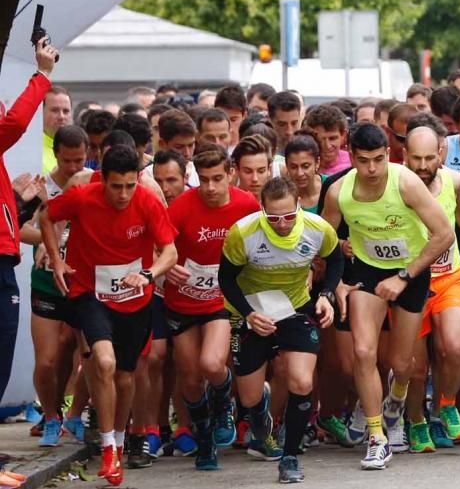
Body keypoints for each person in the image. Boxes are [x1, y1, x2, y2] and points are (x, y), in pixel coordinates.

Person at [41, 145, 178, 487]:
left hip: (135, 298)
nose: (123, 194)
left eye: (129, 185)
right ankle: (107, 448)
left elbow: (170, 252)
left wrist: (148, 274)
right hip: (90, 294)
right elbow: (47, 215)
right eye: (116, 186)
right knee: (103, 362)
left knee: (126, 377)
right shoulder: (83, 197)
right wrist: (57, 259)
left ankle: (119, 437)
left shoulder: (147, 200)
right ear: (103, 180)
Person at [321, 124, 454, 469]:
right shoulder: (338, 192)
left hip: (411, 271)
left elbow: (444, 235)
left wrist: (404, 276)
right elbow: (323, 241)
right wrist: (335, 282)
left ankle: (397, 396)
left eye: (379, 160)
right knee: (363, 353)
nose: (372, 170)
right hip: (367, 271)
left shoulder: (405, 181)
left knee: (400, 364)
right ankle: (377, 437)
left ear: (388, 155)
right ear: (351, 157)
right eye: (363, 161)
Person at [219, 177, 340, 483]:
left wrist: (326, 296)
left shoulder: (316, 228)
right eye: (273, 218)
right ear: (262, 210)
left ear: (299, 205)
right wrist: (248, 314)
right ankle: (260, 412)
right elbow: (226, 279)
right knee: (247, 398)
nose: (282, 224)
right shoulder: (244, 232)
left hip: (295, 308)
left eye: (288, 216)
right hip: (252, 312)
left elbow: (335, 258)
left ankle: (289, 457)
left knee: (300, 380)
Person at [165, 144, 261, 469]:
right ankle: (205, 441)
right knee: (190, 378)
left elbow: (260, 247)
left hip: (223, 300)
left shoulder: (247, 204)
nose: (210, 187)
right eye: (203, 179)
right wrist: (167, 267)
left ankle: (224, 405)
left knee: (211, 362)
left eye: (217, 178)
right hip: (183, 301)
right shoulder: (180, 207)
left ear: (231, 173)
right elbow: (159, 247)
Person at [404, 122, 460, 450]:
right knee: (416, 369)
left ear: (441, 154)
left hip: (450, 276)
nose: (422, 166)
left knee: (455, 346)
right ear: (404, 155)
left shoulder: (454, 181)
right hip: (412, 281)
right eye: (416, 158)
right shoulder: (396, 186)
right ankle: (416, 421)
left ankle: (445, 406)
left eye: (429, 158)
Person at [20, 125, 87, 447]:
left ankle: (75, 414)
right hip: (46, 282)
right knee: (46, 360)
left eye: (79, 160)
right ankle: (50, 417)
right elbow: (19, 230)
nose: (74, 168)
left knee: (90, 355)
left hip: (83, 282)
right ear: (56, 155)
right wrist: (51, 238)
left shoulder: (90, 183)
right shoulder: (40, 185)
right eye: (67, 161)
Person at [303, 104, 351, 175]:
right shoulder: (301, 165)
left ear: (343, 135)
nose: (327, 146)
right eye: (320, 140)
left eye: (332, 138)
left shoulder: (353, 163)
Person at [43, 86, 72, 174]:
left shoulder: (81, 148)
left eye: (66, 111)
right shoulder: (32, 150)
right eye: (55, 110)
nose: (61, 117)